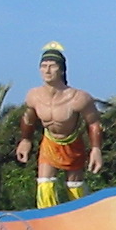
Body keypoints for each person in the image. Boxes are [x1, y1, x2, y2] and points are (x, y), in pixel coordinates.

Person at [17, 42, 103, 207]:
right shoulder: (34, 96)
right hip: (49, 141)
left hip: (72, 143)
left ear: (61, 69)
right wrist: (25, 140)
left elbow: (93, 123)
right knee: (44, 183)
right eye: (43, 66)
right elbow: (28, 118)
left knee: (74, 186)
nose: (47, 70)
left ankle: (80, 216)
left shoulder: (79, 97)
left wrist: (96, 149)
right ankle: (46, 219)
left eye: (52, 66)